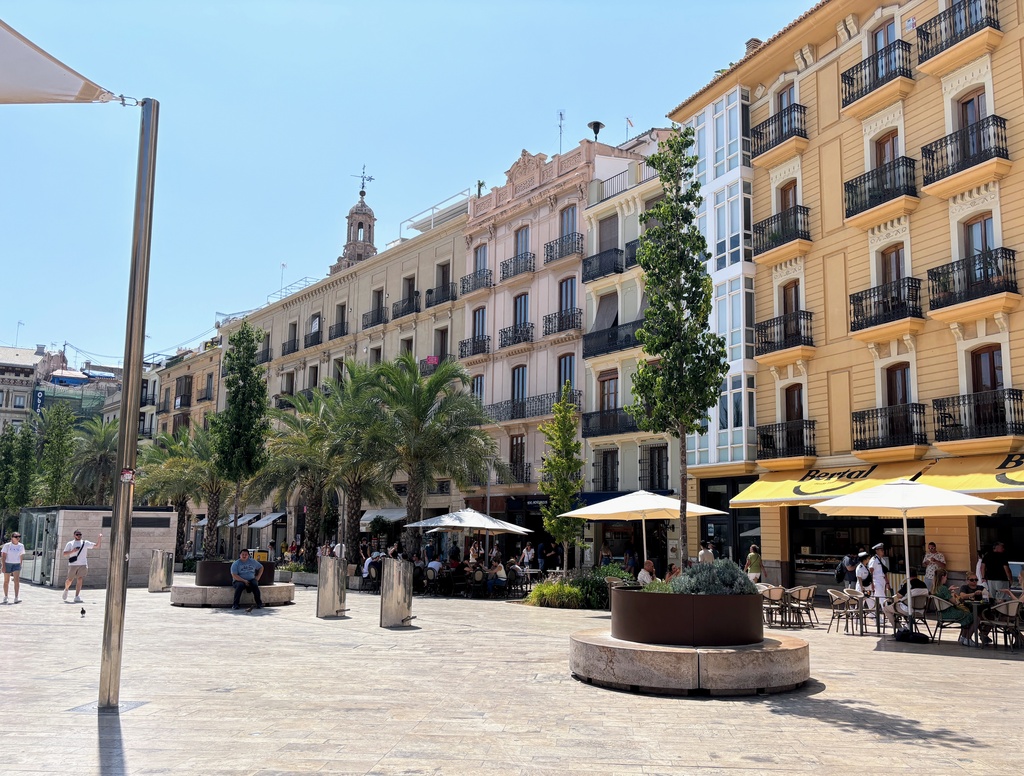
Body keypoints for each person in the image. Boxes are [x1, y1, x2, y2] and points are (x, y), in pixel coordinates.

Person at [933, 570, 976, 646]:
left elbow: (943, 595)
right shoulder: (943, 588)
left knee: (968, 614)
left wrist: (948, 590)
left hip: (941, 613)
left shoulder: (936, 588)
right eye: (946, 577)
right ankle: (967, 638)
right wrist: (953, 594)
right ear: (943, 577)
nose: (946, 579)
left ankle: (963, 637)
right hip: (949, 612)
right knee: (974, 617)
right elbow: (954, 602)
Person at [881, 569, 928, 633]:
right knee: (901, 605)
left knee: (886, 609)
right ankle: (906, 627)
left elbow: (899, 595)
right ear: (916, 575)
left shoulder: (908, 584)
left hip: (907, 609)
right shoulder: (924, 585)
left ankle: (899, 629)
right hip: (920, 611)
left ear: (907, 575)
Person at [62, 529, 102, 603]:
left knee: (80, 579)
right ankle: (66, 589)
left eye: (80, 534)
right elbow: (64, 553)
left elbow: (97, 546)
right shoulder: (70, 543)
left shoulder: (85, 543)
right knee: (69, 580)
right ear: (74, 535)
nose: (79, 536)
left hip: (83, 564)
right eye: (77, 534)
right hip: (73, 564)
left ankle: (77, 596)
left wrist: (99, 538)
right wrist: (72, 551)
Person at [958, 573, 993, 645]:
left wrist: (982, 593)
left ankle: (983, 634)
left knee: (991, 617)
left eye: (976, 580)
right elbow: (962, 596)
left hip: (982, 609)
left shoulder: (981, 587)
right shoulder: (964, 587)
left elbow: (989, 595)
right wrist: (973, 594)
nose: (974, 581)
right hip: (969, 609)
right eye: (972, 580)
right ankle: (967, 637)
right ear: (967, 580)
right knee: (975, 618)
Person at [2, 531, 26, 604]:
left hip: (16, 564)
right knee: (6, 581)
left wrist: (20, 564)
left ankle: (16, 597)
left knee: (16, 580)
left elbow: (21, 555)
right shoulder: (7, 545)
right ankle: (6, 596)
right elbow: (3, 556)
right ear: (12, 537)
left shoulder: (21, 546)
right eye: (16, 536)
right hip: (8, 563)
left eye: (19, 536)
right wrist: (3, 566)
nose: (18, 538)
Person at [868, 542, 889, 613]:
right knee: (882, 598)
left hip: (882, 580)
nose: (883, 551)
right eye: (881, 550)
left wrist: (887, 582)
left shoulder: (883, 560)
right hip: (876, 580)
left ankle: (876, 613)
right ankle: (887, 612)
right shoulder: (874, 560)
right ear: (877, 551)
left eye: (883, 550)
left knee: (879, 597)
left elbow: (884, 573)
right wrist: (872, 583)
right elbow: (871, 572)